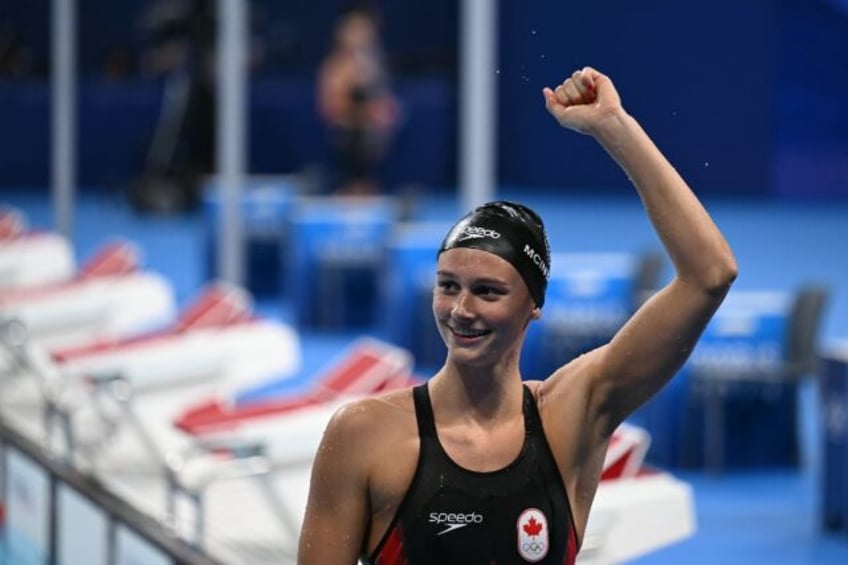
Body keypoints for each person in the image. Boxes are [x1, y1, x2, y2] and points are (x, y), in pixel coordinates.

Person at [298, 66, 738, 564]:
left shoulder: (572, 415)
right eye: (448, 287)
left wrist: (614, 127)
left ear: (534, 306)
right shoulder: (364, 435)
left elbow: (710, 274)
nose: (461, 310)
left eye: (487, 292)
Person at [316, 5, 400, 196]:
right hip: (347, 141)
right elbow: (331, 108)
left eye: (365, 29)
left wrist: (385, 111)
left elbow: (383, 101)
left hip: (372, 144)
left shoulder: (373, 65)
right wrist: (367, 111)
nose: (361, 35)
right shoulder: (336, 68)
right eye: (355, 29)